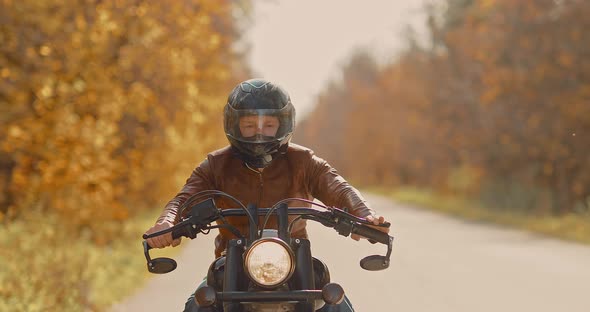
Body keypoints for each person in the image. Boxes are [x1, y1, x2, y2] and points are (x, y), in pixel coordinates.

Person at [144, 78, 389, 311]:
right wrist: (167, 223)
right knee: (197, 305)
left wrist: (366, 217)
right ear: (234, 125)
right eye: (249, 125)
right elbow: (185, 198)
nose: (259, 133)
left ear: (283, 124)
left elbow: (339, 188)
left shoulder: (303, 161)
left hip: (293, 262)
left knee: (335, 303)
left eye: (269, 125)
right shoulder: (216, 165)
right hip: (231, 264)